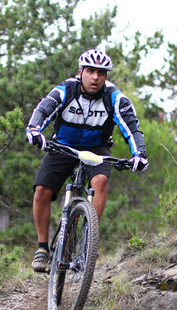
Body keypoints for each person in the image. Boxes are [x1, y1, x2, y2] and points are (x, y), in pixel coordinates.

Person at [26, 49, 148, 272]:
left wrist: (139, 153)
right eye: (90, 71)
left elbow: (131, 126)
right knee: (42, 190)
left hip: (96, 149)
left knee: (100, 181)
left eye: (101, 73)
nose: (95, 77)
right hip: (63, 145)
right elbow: (44, 109)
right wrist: (34, 129)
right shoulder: (65, 90)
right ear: (80, 72)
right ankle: (43, 248)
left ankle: (87, 244)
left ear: (106, 76)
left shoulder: (114, 98)